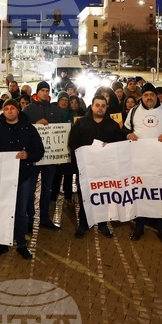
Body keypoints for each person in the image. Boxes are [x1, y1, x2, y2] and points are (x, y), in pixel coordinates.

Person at [123, 83, 162, 245]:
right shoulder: (134, 111)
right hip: (140, 161)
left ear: (157, 96)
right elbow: (124, 129)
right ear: (141, 97)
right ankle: (139, 226)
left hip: (161, 162)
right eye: (145, 95)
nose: (149, 97)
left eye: (151, 94)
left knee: (160, 194)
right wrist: (128, 134)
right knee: (140, 193)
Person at [0, 99, 44, 259]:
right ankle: (2, 243)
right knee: (3, 209)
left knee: (21, 211)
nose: (9, 111)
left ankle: (21, 243)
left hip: (24, 176)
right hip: (2, 178)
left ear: (18, 110)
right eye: (6, 109)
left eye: (12, 108)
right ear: (3, 112)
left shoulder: (29, 129)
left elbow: (40, 150)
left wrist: (28, 155)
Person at [68, 95, 122, 239]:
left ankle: (102, 223)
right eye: (97, 105)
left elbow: (119, 145)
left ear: (106, 107)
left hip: (105, 169)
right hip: (86, 169)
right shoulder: (80, 124)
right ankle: (84, 223)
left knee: (103, 195)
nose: (100, 108)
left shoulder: (113, 125)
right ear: (92, 106)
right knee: (85, 195)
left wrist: (109, 147)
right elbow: (73, 144)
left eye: (103, 106)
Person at [23, 81, 66, 230]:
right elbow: (24, 131)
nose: (45, 93)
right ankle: (29, 219)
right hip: (34, 157)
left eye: (47, 90)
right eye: (42, 90)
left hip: (50, 157)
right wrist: (36, 123)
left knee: (47, 189)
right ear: (37, 92)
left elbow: (61, 132)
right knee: (31, 190)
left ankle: (44, 218)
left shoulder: (54, 110)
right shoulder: (28, 110)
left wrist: (60, 155)